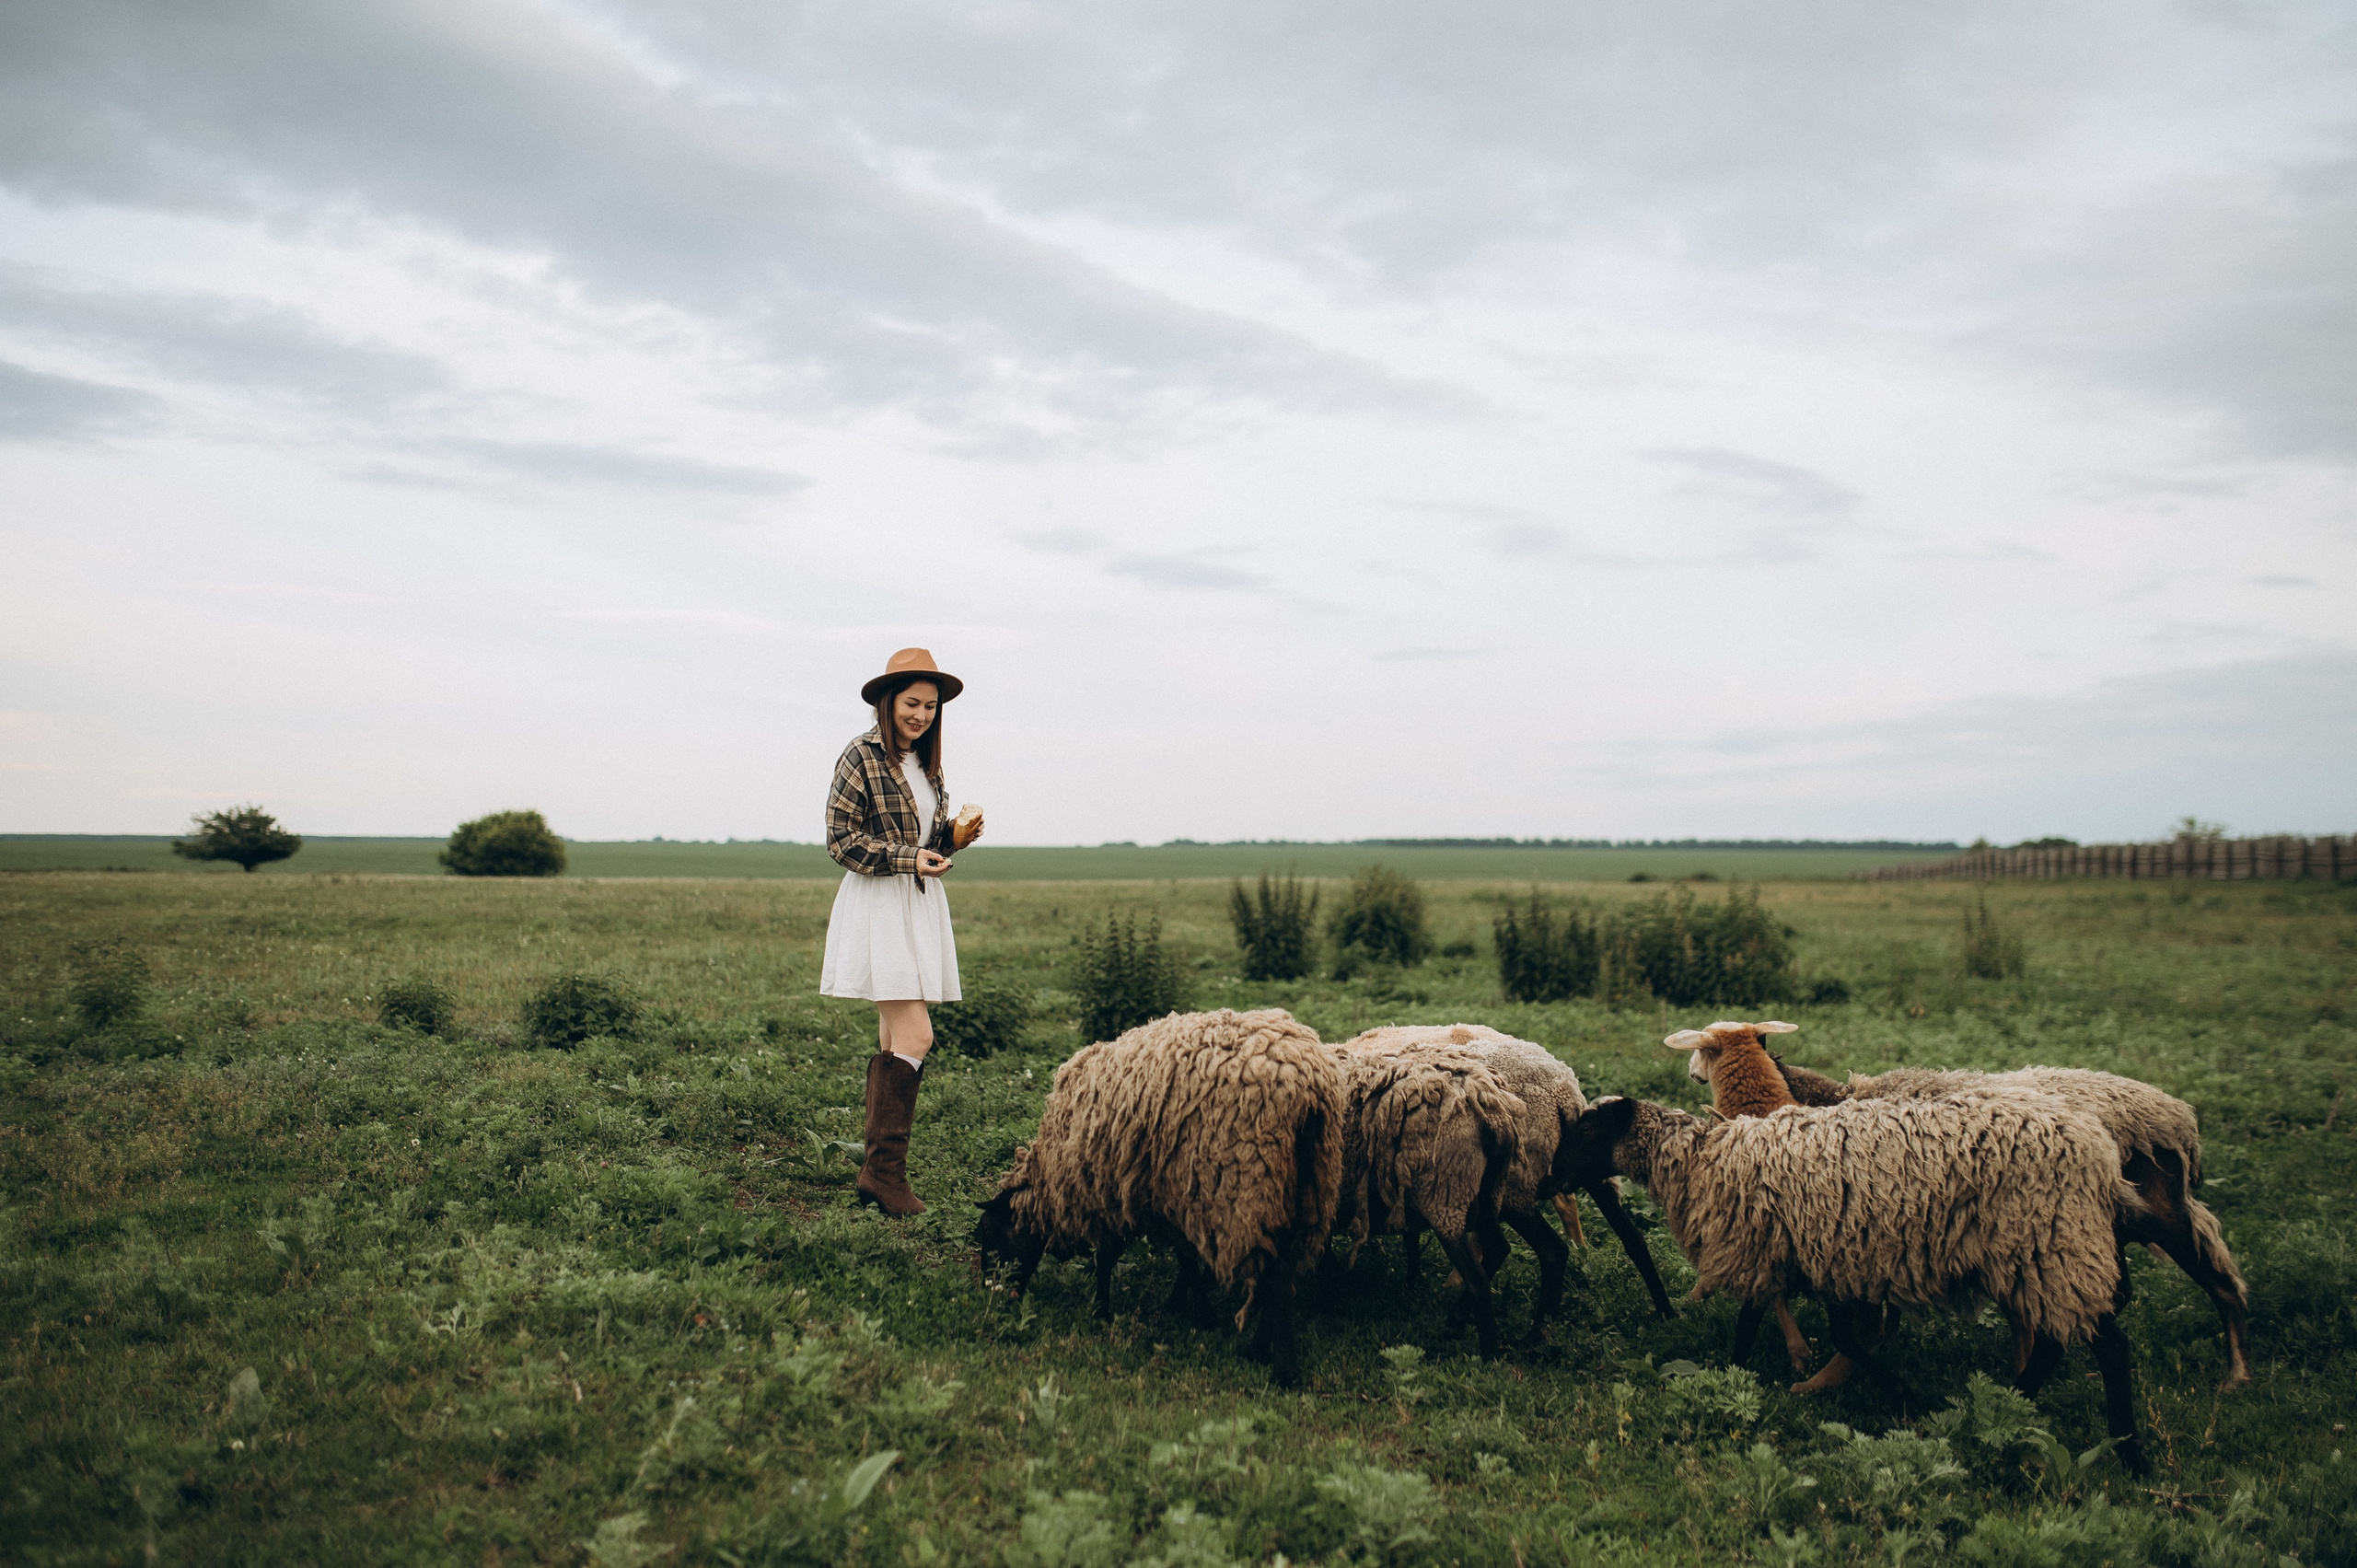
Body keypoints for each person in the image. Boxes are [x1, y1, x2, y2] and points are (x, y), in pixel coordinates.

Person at [820, 647, 983, 1215]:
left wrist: (952, 841)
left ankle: (876, 1177)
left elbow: (926, 845)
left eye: (931, 706)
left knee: (895, 1040)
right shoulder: (860, 756)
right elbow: (841, 842)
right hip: (878, 903)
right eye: (912, 703)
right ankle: (884, 1176)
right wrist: (909, 859)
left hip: (915, 902)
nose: (921, 715)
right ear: (888, 702)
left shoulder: (927, 764)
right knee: (917, 1037)